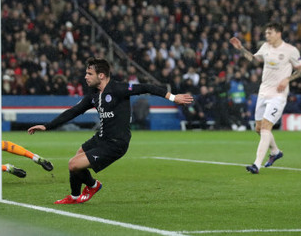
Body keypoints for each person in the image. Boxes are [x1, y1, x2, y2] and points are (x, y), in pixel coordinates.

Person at [28, 57, 194, 204]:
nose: (85, 77)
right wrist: (47, 126)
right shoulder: (93, 94)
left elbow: (146, 87)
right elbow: (74, 111)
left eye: (89, 74)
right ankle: (76, 196)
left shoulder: (118, 89)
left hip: (116, 143)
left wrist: (173, 97)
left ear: (101, 75)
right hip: (102, 137)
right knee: (78, 156)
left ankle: (92, 186)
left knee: (73, 164)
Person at [230, 22, 301, 174]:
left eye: (269, 33)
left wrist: (287, 79)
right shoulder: (265, 47)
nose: (267, 36)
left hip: (278, 95)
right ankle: (276, 152)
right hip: (263, 92)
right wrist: (241, 49)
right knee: (258, 128)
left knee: (265, 127)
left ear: (278, 34)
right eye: (266, 33)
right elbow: (254, 59)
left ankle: (256, 165)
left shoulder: (291, 50)